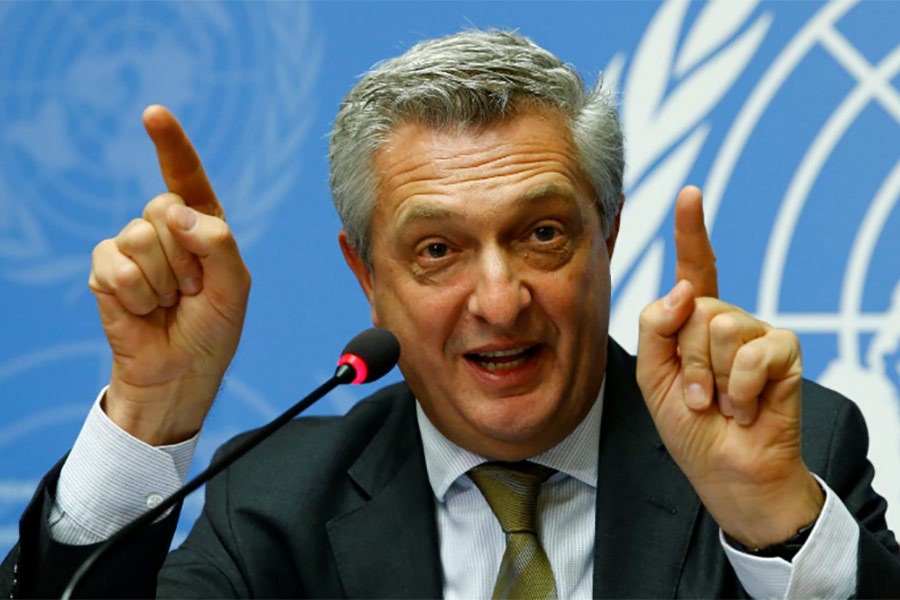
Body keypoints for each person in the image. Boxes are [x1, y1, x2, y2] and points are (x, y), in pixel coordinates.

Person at [2, 29, 899, 599]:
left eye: (542, 234)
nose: (500, 301)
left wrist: (771, 524)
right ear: (366, 274)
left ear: (608, 237)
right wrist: (152, 411)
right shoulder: (275, 503)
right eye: (437, 250)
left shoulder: (787, 456)